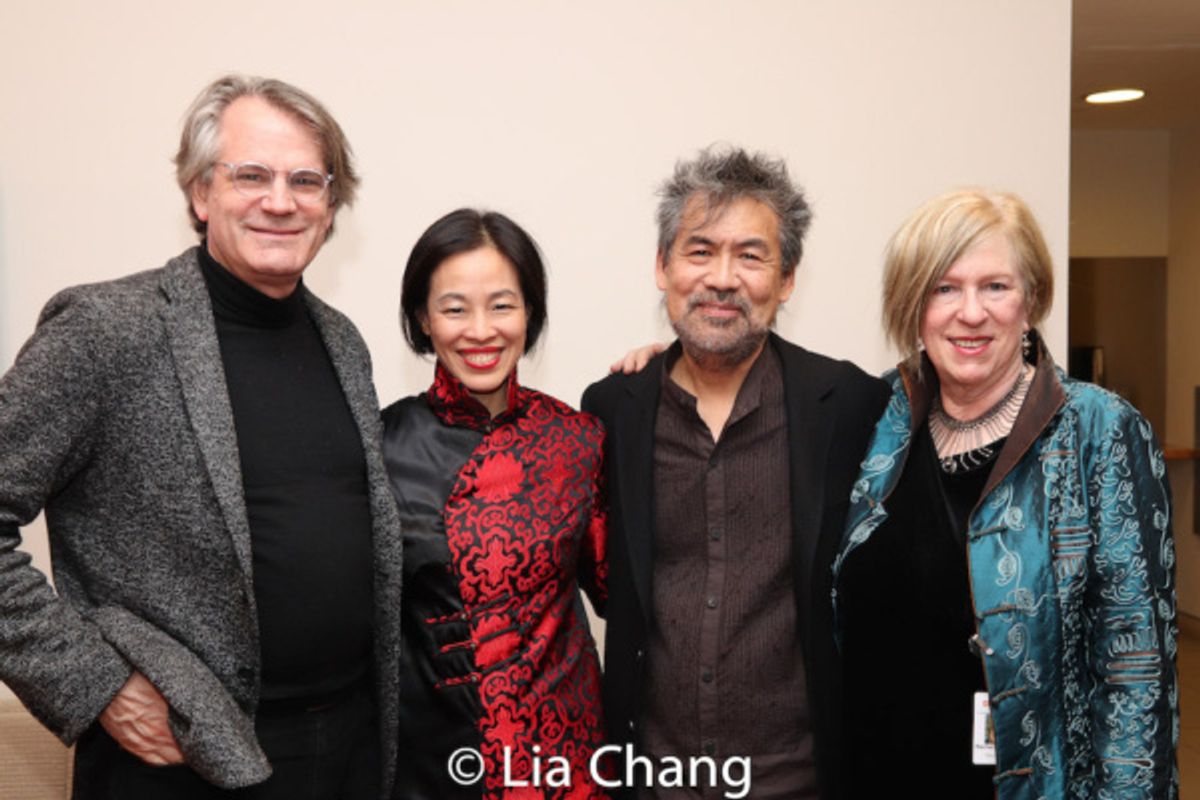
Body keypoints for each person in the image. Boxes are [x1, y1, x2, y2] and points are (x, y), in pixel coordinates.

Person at [0, 75, 403, 798]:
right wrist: (95, 686)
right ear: (199, 194)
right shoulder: (105, 331)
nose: (280, 201)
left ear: (330, 205)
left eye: (305, 180)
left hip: (348, 745)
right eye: (251, 175)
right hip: (179, 757)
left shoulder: (343, 342)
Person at [832, 188, 1178, 798]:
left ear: (1032, 299)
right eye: (944, 288)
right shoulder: (875, 418)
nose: (971, 313)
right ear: (913, 304)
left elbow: (1135, 673)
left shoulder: (1100, 430)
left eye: (995, 286)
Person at [581, 146, 889, 799]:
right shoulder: (612, 410)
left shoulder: (850, 406)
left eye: (751, 256)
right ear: (662, 267)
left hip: (797, 782)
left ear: (788, 278)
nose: (722, 278)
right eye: (699, 251)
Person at [382, 208, 608, 799]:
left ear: (530, 311)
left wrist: (667, 379)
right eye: (455, 309)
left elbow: (627, 594)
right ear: (423, 318)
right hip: (432, 770)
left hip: (566, 766)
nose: (481, 331)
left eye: (502, 305)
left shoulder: (578, 440)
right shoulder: (378, 446)